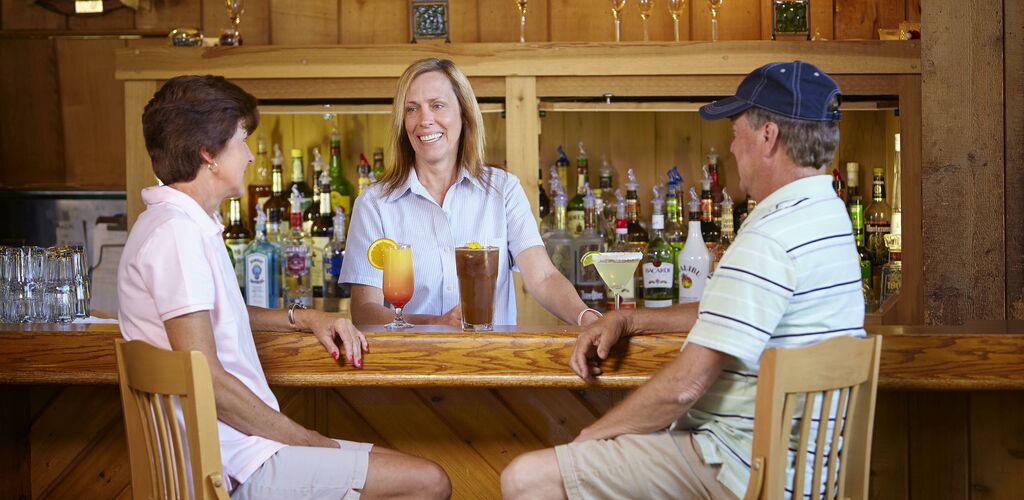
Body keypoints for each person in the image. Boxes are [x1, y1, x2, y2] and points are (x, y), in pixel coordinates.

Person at [501, 61, 865, 500]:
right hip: (806, 471)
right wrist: (632, 320)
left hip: (742, 467)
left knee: (527, 478)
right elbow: (730, 309)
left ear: (768, 137)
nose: (731, 148)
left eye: (736, 131)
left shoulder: (769, 237)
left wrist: (588, 438)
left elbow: (684, 387)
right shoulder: (826, 217)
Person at [117, 75, 451, 499]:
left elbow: (222, 315)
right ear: (209, 155)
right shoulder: (177, 235)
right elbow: (207, 381)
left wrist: (302, 317)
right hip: (232, 467)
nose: (251, 157)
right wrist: (304, 438)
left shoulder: (169, 224)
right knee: (428, 483)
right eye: (241, 141)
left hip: (231, 455)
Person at [340, 58, 600, 328]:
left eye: (437, 105)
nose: (425, 120)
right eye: (411, 109)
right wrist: (435, 322)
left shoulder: (503, 190)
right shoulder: (375, 203)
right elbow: (364, 311)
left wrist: (587, 318)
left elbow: (544, 277)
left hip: (489, 363)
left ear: (464, 114)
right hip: (409, 364)